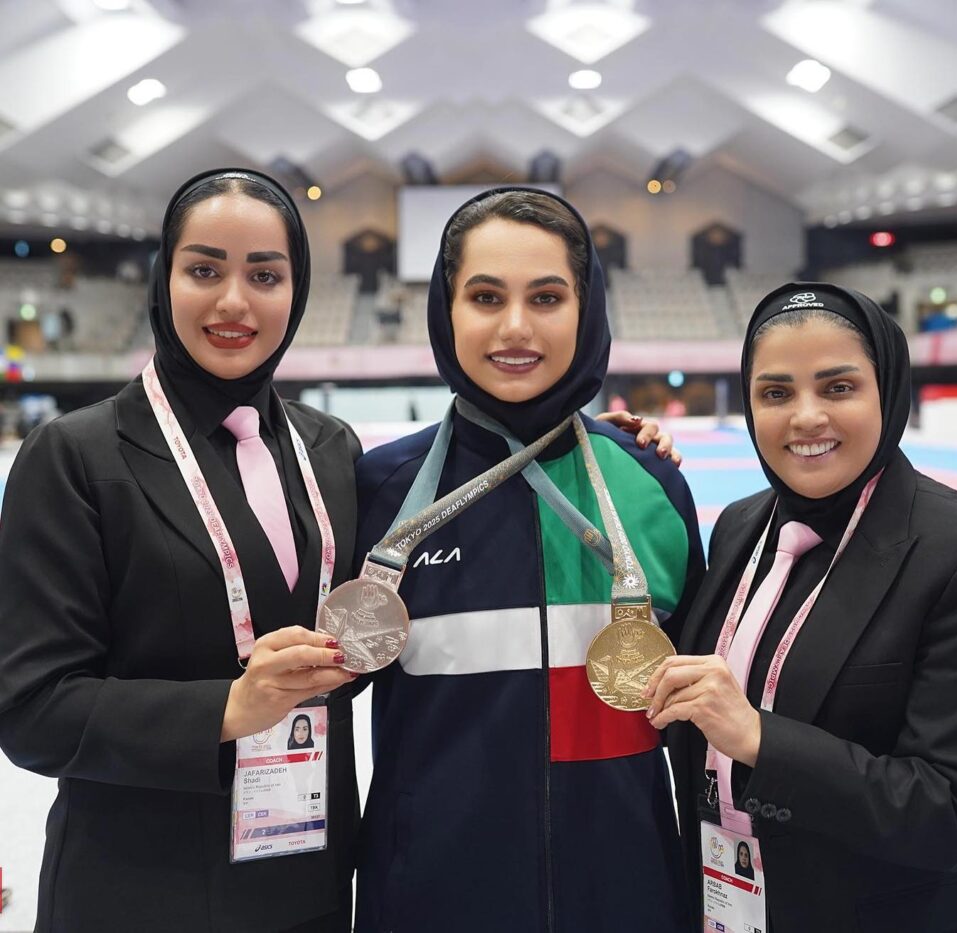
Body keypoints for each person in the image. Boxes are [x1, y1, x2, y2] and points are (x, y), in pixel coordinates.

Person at [0, 168, 361, 933]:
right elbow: (33, 708)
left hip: (308, 885)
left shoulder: (331, 449)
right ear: (164, 280)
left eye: (265, 275)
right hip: (138, 895)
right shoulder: (76, 456)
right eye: (204, 270)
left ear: (296, 290)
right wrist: (227, 709)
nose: (234, 301)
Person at [353, 187, 706, 933]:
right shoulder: (380, 492)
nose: (516, 327)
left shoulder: (650, 485)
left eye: (546, 297)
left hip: (625, 900)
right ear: (446, 310)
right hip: (430, 902)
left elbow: (698, 726)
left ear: (587, 308)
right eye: (486, 297)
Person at [648, 283, 957, 932]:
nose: (805, 417)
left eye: (839, 387)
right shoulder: (740, 527)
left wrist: (761, 739)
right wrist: (621, 461)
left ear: (887, 390)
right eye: (776, 393)